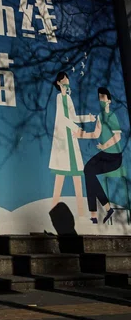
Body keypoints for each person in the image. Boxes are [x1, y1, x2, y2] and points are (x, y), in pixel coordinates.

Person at [49, 72, 97, 218]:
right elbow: (62, 119)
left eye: (67, 79)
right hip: (63, 141)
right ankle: (52, 210)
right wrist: (77, 129)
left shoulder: (68, 99)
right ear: (59, 83)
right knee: (60, 176)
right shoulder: (59, 98)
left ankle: (82, 213)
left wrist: (88, 118)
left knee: (77, 177)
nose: (66, 81)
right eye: (64, 80)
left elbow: (73, 117)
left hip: (71, 139)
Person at [84, 87, 123, 225]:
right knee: (88, 170)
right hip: (105, 154)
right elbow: (95, 134)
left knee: (89, 171)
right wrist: (80, 134)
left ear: (109, 100)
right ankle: (96, 214)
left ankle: (103, 210)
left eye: (103, 97)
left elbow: (117, 137)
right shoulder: (100, 116)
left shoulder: (112, 116)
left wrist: (104, 145)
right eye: (99, 97)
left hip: (114, 158)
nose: (101, 100)